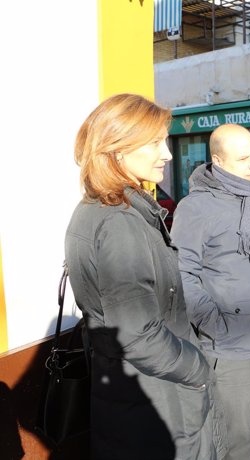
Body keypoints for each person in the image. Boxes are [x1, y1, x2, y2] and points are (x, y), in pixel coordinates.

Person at [64, 94, 228, 459]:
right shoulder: (119, 222)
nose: (167, 153)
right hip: (162, 406)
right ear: (117, 150)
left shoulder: (97, 210)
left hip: (141, 400)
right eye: (155, 142)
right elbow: (138, 335)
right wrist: (198, 367)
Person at [171, 123, 250, 460]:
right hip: (230, 352)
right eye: (243, 158)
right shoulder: (195, 208)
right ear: (218, 161)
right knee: (234, 445)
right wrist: (215, 326)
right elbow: (183, 273)